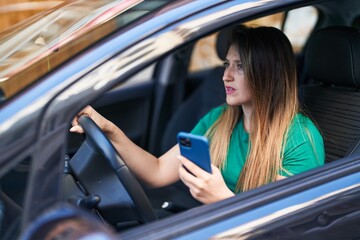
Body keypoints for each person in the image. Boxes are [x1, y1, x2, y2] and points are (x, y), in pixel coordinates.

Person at [70, 25, 325, 204]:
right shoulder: (219, 119)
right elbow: (157, 172)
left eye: (240, 67)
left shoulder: (300, 139)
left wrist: (222, 199)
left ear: (268, 74)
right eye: (227, 64)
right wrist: (110, 130)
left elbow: (286, 228)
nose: (226, 76)